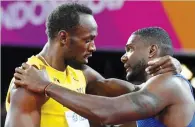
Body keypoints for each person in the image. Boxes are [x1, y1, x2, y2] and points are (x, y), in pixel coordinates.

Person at [5, 3, 181, 127]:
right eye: (87, 40)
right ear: (64, 37)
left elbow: (138, 94)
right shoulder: (29, 82)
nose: (93, 47)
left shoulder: (80, 73)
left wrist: (170, 76)